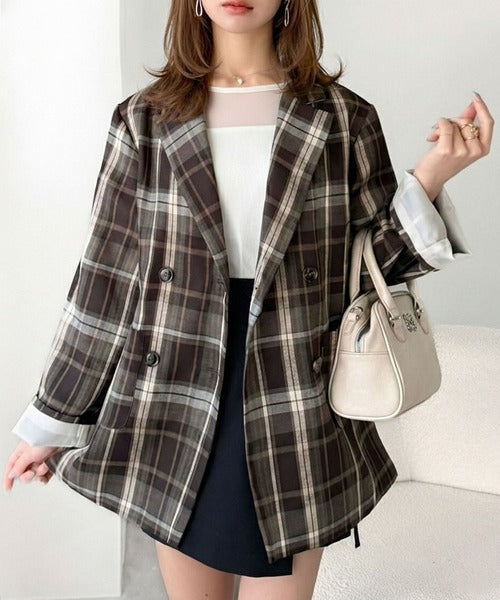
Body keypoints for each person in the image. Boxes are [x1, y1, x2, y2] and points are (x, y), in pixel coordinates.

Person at [3, 1, 494, 599]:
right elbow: (105, 277)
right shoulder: (144, 120)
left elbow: (374, 274)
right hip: (176, 399)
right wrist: (52, 419)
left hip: (294, 397)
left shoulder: (343, 118)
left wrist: (432, 176)